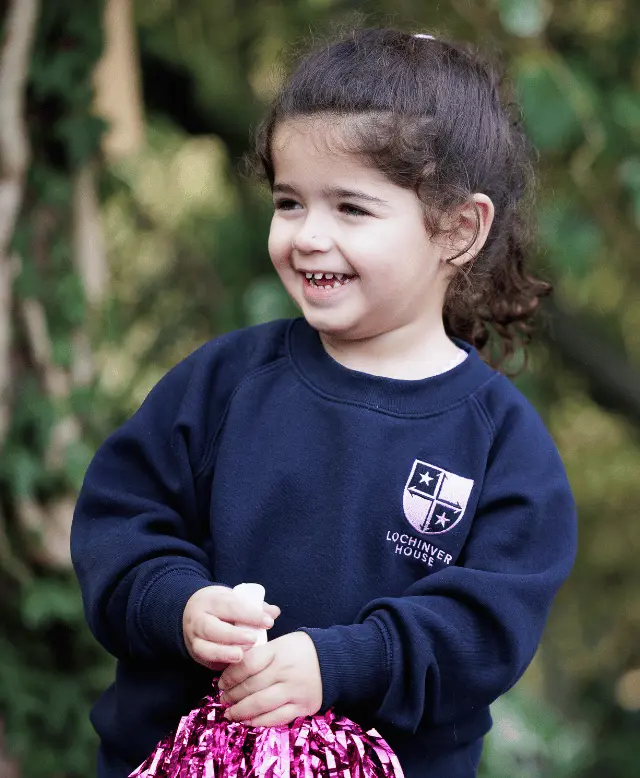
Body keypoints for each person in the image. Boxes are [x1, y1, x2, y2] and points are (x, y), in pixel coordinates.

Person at [71, 27, 577, 778]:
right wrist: (178, 605)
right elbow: (118, 524)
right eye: (289, 202)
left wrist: (343, 661)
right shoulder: (222, 384)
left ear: (458, 229)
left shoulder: (505, 446)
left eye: (351, 208)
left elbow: (485, 629)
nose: (308, 236)